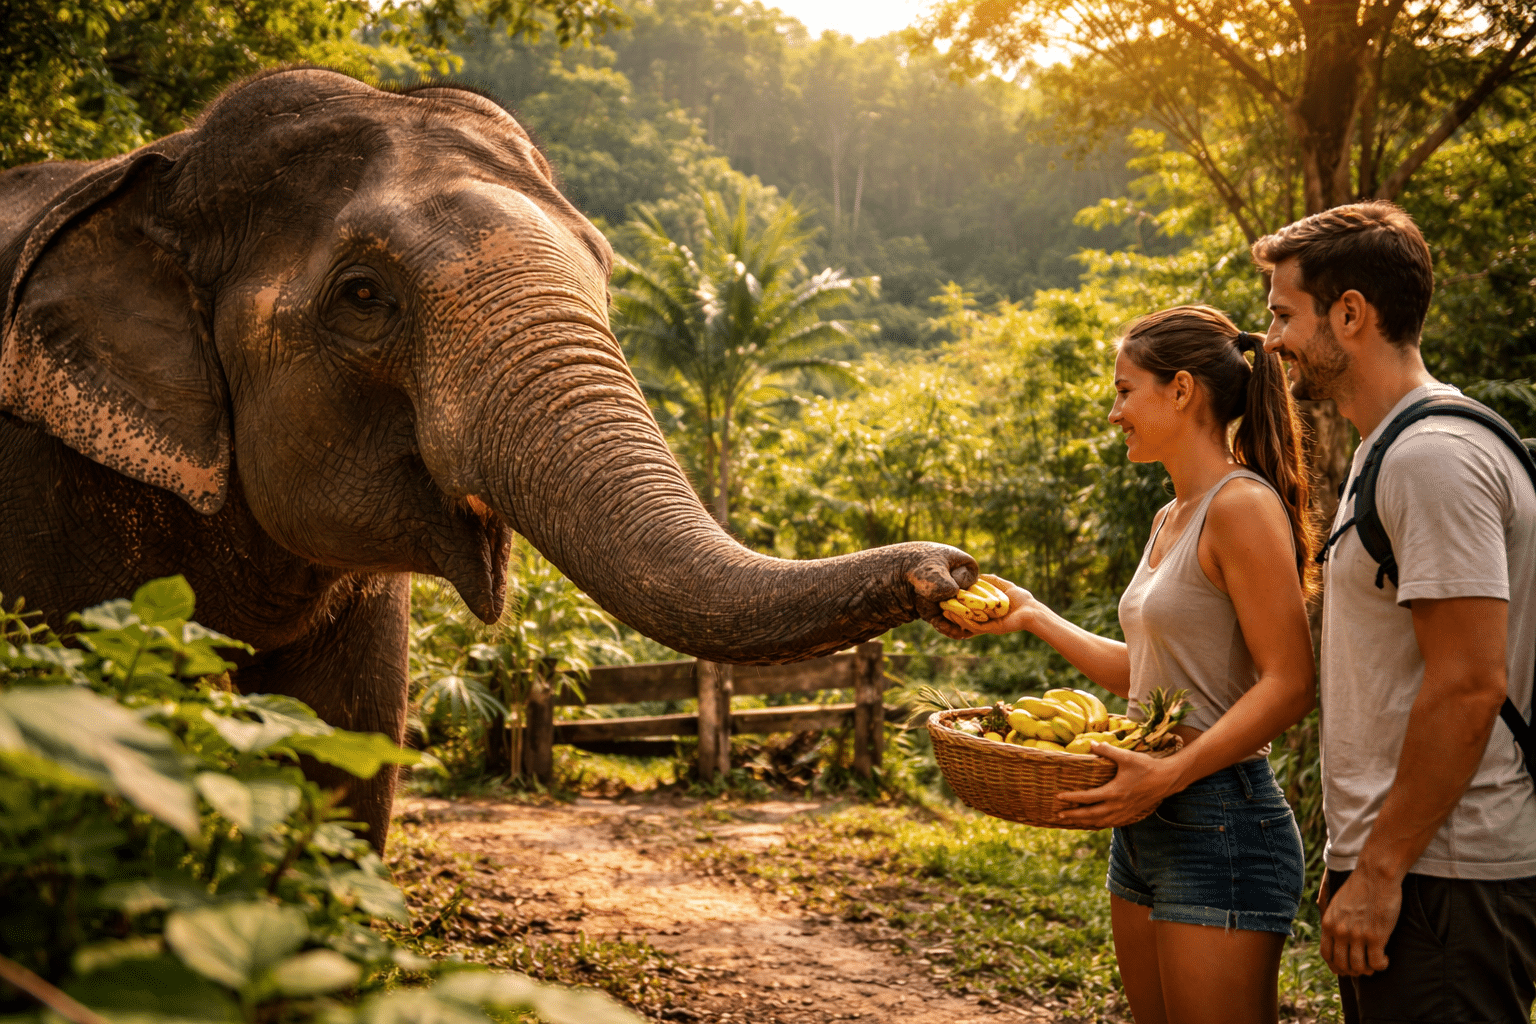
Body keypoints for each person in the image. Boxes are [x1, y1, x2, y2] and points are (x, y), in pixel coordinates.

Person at [948, 305, 1317, 1024]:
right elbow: (1150, 678)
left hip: (1220, 821)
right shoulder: (1171, 515)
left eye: (1124, 391)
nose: (1114, 412)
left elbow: (1291, 682)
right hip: (1147, 821)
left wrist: (1173, 773)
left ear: (1181, 390)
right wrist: (1032, 614)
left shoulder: (1239, 506)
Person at [1251, 201, 1536, 1023]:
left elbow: (1468, 684)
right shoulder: (1395, 446)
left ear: (1351, 314)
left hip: (1441, 875)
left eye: (1283, 314)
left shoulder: (1431, 460)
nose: (1272, 341)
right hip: (1415, 867)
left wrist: (1379, 871)